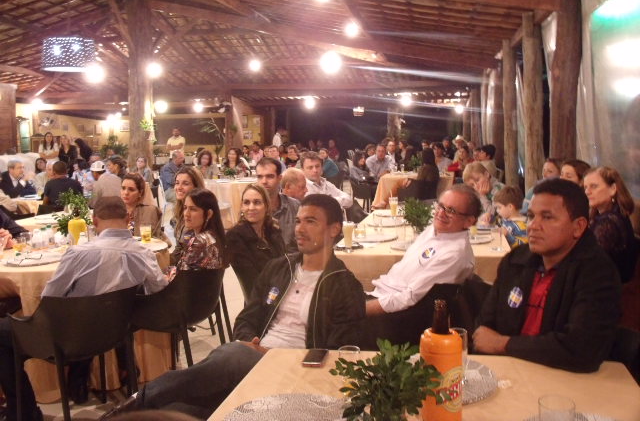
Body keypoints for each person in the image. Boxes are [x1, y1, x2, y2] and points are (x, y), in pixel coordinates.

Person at [105, 194, 365, 419]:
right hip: (252, 357)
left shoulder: (344, 285)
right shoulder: (279, 268)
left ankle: (138, 401)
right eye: (298, 221)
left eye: (311, 222)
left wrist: (272, 355)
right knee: (183, 408)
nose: (300, 229)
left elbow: (339, 351)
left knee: (232, 357)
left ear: (334, 229)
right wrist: (248, 341)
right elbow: (247, 318)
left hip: (295, 366)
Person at [0, 197, 167, 421]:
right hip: (117, 333)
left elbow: (50, 298)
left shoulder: (78, 254)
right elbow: (158, 291)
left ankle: (24, 413)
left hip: (70, 340)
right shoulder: (144, 253)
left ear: (94, 221)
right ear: (128, 218)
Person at [473, 178, 622, 373]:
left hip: (566, 381)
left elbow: (582, 349)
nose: (533, 226)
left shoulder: (598, 273)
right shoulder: (516, 260)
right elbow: (484, 326)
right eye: (531, 216)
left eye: (547, 217)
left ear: (578, 227)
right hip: (508, 374)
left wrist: (503, 344)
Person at [366, 185, 479, 316]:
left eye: (451, 211)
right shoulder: (435, 230)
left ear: (468, 221)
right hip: (381, 295)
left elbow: (408, 298)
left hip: (395, 314)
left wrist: (359, 310)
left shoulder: (454, 255)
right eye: (440, 206)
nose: (440, 213)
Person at [225, 184, 285, 299]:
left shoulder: (273, 230)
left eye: (257, 202)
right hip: (261, 299)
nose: (251, 207)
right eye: (246, 203)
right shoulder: (235, 237)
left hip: (281, 290)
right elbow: (251, 281)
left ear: (266, 206)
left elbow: (285, 263)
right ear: (241, 207)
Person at [583, 166, 638, 283]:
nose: (587, 191)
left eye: (594, 186)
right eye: (585, 187)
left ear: (612, 189)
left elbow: (588, 263)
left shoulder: (609, 223)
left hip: (606, 288)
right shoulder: (608, 215)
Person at [172, 188, 226, 273]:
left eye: (193, 209)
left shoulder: (200, 242)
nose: (186, 214)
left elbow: (181, 275)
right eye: (185, 208)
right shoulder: (213, 235)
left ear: (209, 214)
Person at [255, 157, 300, 254]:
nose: (264, 181)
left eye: (269, 176)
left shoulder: (295, 206)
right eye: (260, 177)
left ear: (279, 178)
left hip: (291, 259)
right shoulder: (251, 209)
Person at [170, 167, 205, 264]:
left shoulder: (200, 213)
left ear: (196, 187)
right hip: (182, 262)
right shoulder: (179, 209)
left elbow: (196, 256)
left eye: (185, 183)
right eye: (177, 183)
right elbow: (179, 248)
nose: (179, 187)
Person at [121, 173, 164, 240]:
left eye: (131, 189)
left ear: (140, 193)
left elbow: (154, 238)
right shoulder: (115, 211)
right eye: (123, 188)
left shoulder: (150, 212)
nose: (126, 193)